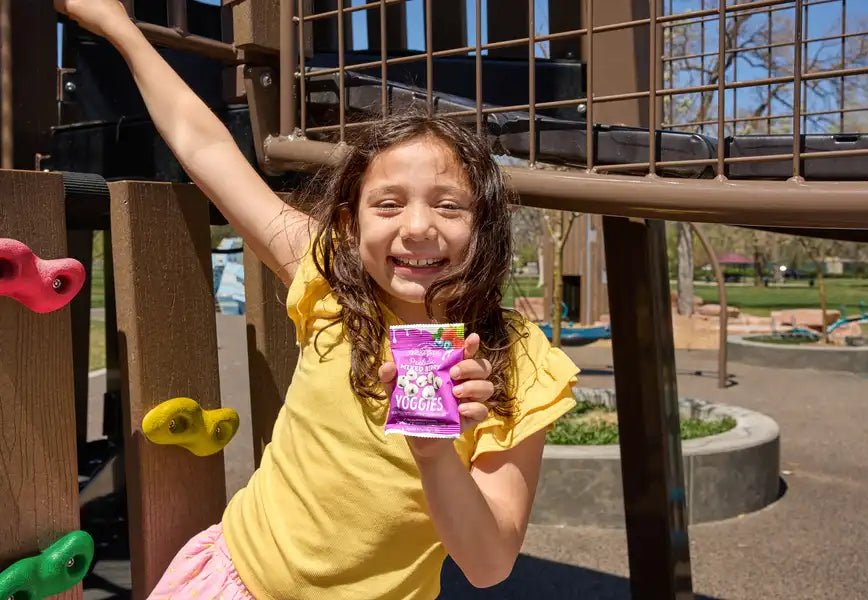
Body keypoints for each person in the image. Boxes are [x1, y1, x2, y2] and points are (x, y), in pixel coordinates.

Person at [54, 1, 580, 598]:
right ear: (348, 225)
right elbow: (204, 148)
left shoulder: (517, 361)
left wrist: (436, 458)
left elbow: (490, 565)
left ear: (484, 225)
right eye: (387, 204)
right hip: (235, 580)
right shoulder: (332, 277)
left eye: (449, 204)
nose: (417, 227)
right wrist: (118, 26)